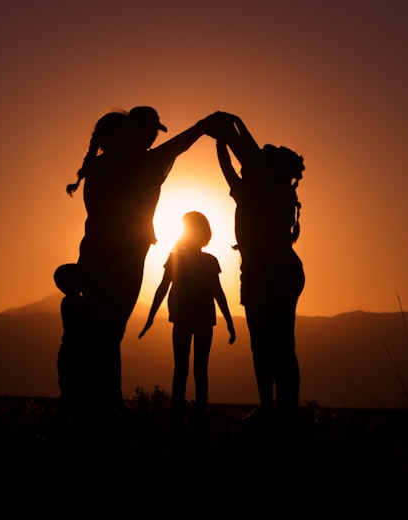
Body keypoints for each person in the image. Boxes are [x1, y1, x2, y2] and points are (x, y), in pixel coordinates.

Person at [57, 106, 225, 417]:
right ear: (129, 134)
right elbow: (176, 147)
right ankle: (106, 404)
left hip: (95, 254)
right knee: (110, 330)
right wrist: (202, 126)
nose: (150, 138)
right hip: (121, 261)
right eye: (147, 132)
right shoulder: (136, 165)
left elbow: (170, 151)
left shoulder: (101, 166)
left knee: (104, 330)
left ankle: (98, 401)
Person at [216, 114, 306, 422]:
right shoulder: (271, 190)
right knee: (274, 344)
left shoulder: (262, 191)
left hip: (270, 273)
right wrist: (232, 127)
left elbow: (239, 159)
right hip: (269, 272)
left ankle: (279, 410)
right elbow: (239, 159)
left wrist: (225, 133)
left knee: (271, 345)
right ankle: (278, 409)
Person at [138, 211, 236, 428]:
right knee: (199, 369)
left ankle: (181, 416)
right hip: (198, 320)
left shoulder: (179, 258)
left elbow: (164, 289)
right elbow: (217, 293)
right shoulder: (205, 261)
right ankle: (195, 415)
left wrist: (151, 318)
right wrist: (229, 323)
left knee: (182, 368)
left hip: (186, 319)